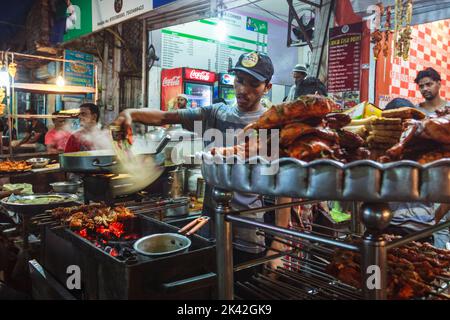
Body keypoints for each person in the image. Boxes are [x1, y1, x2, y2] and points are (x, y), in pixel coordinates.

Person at [113, 52, 288, 271]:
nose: (243, 90)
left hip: (250, 232)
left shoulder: (272, 125)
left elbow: (283, 188)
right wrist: (131, 113)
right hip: (211, 226)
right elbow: (165, 117)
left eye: (254, 84)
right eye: (240, 81)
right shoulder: (215, 114)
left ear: (267, 87)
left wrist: (278, 246)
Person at [382, 96, 450, 249]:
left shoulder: (430, 156)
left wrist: (433, 220)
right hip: (389, 231)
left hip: (424, 233)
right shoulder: (385, 156)